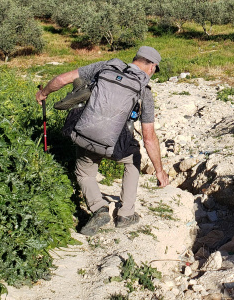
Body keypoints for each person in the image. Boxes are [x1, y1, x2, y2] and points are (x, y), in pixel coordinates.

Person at [35, 46, 170, 235]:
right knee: (134, 159)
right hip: (114, 146)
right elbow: (149, 138)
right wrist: (159, 171)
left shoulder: (105, 67)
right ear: (152, 67)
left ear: (135, 59)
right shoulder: (143, 91)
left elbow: (61, 79)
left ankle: (98, 207)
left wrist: (43, 94)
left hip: (85, 135)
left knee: (84, 173)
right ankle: (125, 213)